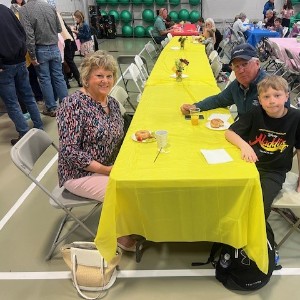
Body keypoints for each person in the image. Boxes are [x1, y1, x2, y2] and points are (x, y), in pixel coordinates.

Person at [56, 50, 136, 251]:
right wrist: (106, 170)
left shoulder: (111, 103)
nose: (105, 81)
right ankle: (120, 235)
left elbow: (119, 133)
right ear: (86, 78)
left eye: (109, 76)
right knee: (124, 191)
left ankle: (134, 222)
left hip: (109, 165)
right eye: (99, 76)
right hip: (79, 173)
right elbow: (70, 151)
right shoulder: (73, 105)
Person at [225, 75, 300, 219]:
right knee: (231, 196)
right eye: (266, 97)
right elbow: (229, 133)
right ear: (259, 100)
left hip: (274, 172)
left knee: (260, 205)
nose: (272, 101)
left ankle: (257, 236)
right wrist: (244, 146)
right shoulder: (256, 112)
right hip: (248, 164)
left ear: (286, 96)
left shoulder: (296, 117)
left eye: (277, 95)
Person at [180, 43, 267, 117]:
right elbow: (218, 100)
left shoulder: (269, 87)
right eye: (236, 66)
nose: (241, 70)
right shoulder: (237, 85)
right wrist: (195, 107)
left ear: (257, 63)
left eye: (245, 64)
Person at [0, 4, 43, 145]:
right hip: (20, 61)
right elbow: (22, 32)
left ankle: (24, 133)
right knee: (28, 97)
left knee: (12, 103)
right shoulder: (6, 10)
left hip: (5, 66)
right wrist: (23, 52)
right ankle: (39, 126)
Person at [19, 0, 68, 117]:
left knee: (45, 80)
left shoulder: (24, 10)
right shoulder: (50, 6)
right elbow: (59, 28)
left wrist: (32, 55)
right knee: (58, 77)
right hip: (54, 47)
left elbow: (29, 35)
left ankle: (51, 108)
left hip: (40, 49)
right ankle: (67, 105)